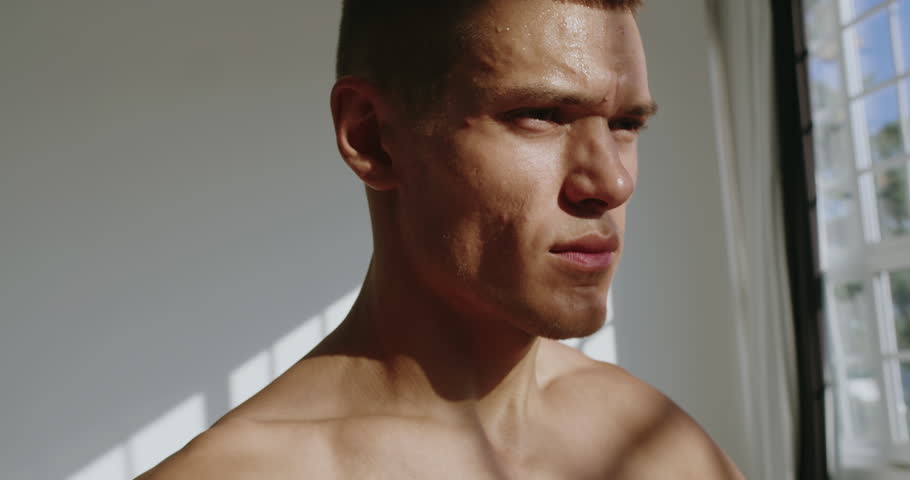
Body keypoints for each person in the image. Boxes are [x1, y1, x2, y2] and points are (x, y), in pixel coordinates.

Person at [138, 0, 745, 478]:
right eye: (540, 114)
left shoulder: (662, 445)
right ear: (373, 138)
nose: (611, 182)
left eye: (626, 123)